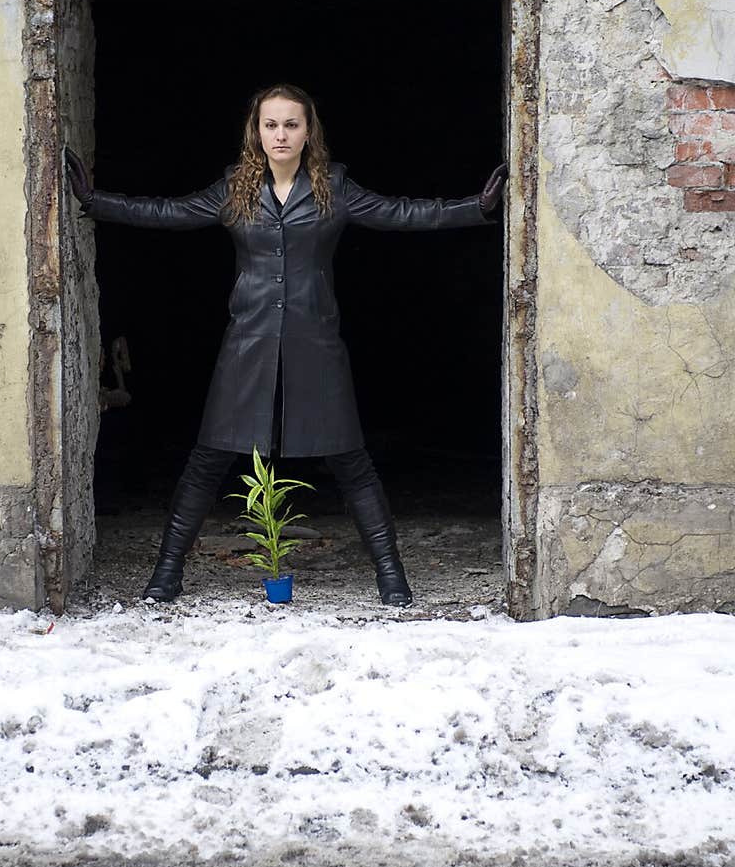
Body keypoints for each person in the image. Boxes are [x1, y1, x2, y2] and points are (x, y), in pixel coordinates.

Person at [65, 82, 507, 608]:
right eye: (270, 124)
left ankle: (392, 578)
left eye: (291, 124)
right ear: (256, 131)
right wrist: (94, 201)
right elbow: (167, 212)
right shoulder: (235, 189)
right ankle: (166, 575)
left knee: (351, 462)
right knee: (207, 461)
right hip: (247, 343)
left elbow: (403, 213)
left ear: (308, 132)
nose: (281, 134)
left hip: (315, 343)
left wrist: (475, 209)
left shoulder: (334, 188)